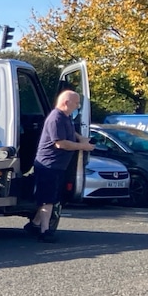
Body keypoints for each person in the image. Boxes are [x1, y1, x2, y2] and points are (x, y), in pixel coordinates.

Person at [26, 89, 94, 242]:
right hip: (48, 165)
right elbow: (60, 143)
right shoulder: (56, 118)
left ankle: (34, 224)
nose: (78, 106)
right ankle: (45, 231)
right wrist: (83, 147)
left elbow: (70, 132)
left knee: (51, 196)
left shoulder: (66, 117)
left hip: (58, 166)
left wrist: (81, 138)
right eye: (76, 103)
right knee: (47, 199)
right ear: (66, 102)